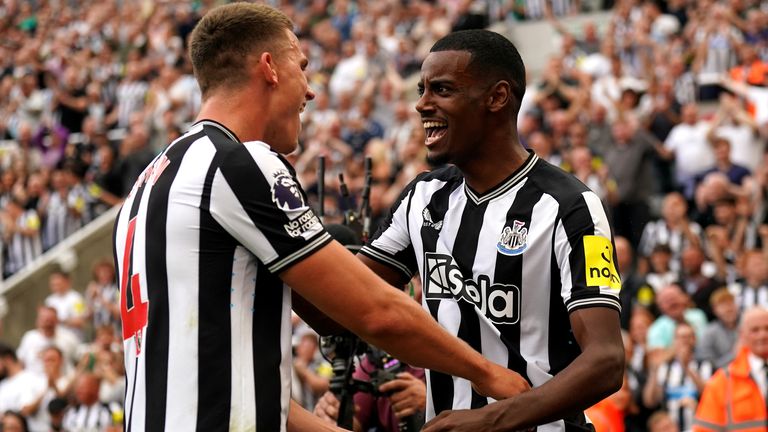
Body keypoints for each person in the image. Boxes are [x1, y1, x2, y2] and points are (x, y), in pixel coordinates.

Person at [112, 4, 526, 432]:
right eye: (303, 67)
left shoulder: (146, 187)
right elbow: (376, 311)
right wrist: (492, 376)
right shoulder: (240, 163)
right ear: (270, 68)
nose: (310, 91)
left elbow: (246, 391)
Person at [355, 29, 625, 431]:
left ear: (497, 98)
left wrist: (489, 420)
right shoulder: (424, 197)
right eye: (422, 89)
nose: (421, 104)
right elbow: (347, 300)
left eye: (441, 90)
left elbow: (606, 361)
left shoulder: (570, 207)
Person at [693, 307, 768, 431]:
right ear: (742, 335)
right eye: (755, 330)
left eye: (767, 328)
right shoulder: (721, 383)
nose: (763, 335)